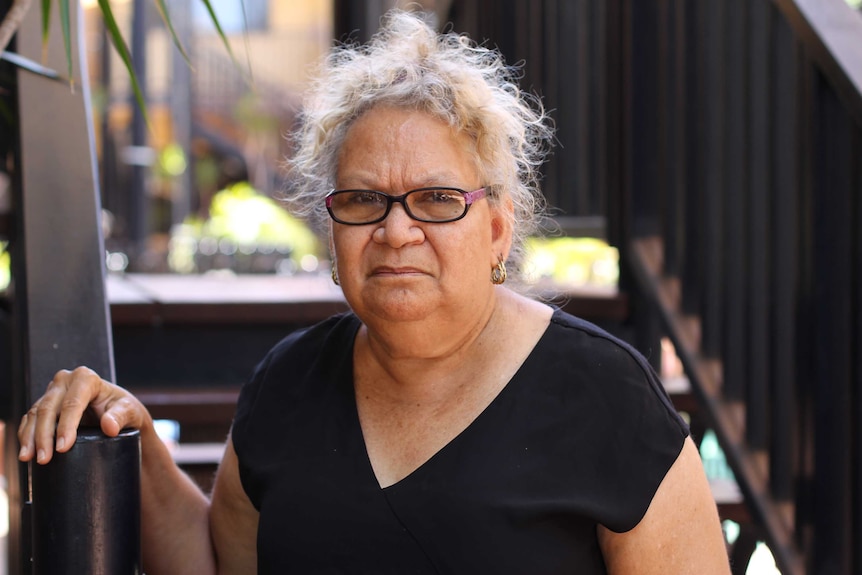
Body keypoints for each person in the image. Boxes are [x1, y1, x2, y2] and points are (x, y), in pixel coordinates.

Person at [18, 10, 730, 574]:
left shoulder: (606, 396)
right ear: (333, 234)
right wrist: (138, 442)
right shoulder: (286, 385)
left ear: (496, 229)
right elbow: (216, 565)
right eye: (363, 199)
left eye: (436, 198)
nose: (396, 230)